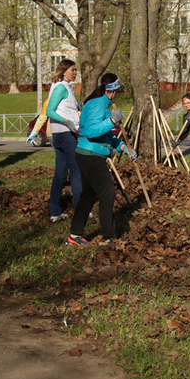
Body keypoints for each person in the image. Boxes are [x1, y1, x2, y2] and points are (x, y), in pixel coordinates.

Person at [66, 73, 135, 247]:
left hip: (88, 154)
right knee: (107, 193)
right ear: (112, 90)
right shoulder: (98, 104)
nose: (117, 94)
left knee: (89, 195)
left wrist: (122, 147)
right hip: (90, 156)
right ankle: (109, 237)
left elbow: (104, 135)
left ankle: (74, 237)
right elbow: (90, 131)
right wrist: (112, 120)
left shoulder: (102, 104)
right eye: (117, 90)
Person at [45, 59, 83, 223]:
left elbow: (64, 107)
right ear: (64, 70)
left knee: (60, 174)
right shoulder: (61, 87)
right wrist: (66, 121)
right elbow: (49, 111)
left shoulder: (64, 86)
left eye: (76, 70)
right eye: (73, 70)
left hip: (60, 135)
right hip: (66, 135)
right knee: (76, 172)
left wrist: (78, 107)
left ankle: (55, 212)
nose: (75, 72)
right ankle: (81, 211)